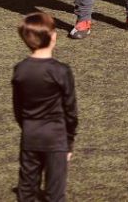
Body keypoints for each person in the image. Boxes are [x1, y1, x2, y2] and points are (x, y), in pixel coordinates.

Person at [12, 12, 78, 202]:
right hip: (56, 138)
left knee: (27, 189)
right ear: (53, 37)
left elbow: (18, 108)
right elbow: (70, 110)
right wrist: (69, 141)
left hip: (30, 136)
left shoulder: (20, 69)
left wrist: (27, 127)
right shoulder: (61, 71)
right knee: (54, 192)